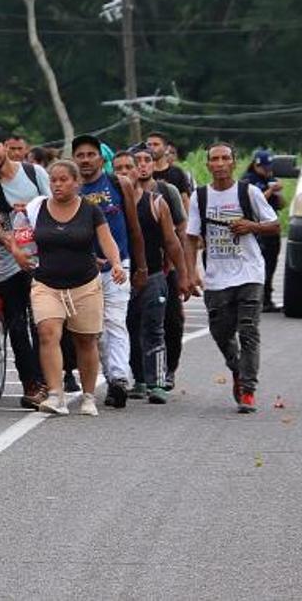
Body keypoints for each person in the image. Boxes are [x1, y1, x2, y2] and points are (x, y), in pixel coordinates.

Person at [184, 143, 279, 414]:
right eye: (215, 159)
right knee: (221, 332)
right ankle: (237, 368)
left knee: (248, 330)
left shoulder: (249, 193)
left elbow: (274, 225)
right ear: (208, 165)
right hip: (216, 277)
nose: (220, 163)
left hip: (249, 272)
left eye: (226, 158)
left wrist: (252, 226)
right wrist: (190, 273)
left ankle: (247, 390)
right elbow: (191, 238)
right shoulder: (199, 197)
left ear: (234, 163)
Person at [27, 160, 126, 416]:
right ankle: (55, 394)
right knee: (48, 332)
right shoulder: (38, 208)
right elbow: (19, 233)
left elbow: (107, 240)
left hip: (84, 284)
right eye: (53, 180)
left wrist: (116, 264)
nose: (57, 185)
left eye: (63, 180)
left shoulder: (91, 210)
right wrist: (17, 251)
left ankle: (89, 395)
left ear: (76, 182)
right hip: (46, 283)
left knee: (86, 340)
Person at [0, 124, 49, 409]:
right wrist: (15, 250)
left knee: (42, 322)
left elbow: (52, 207)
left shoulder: (34, 174)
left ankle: (51, 379)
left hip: (42, 257)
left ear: (6, 146)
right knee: (17, 325)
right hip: (7, 262)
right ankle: (32, 385)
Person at [112, 151, 191, 403]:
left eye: (129, 167)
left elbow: (172, 241)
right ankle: (140, 380)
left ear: (139, 170)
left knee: (154, 329)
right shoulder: (110, 206)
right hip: (120, 277)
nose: (124, 172)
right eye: (119, 168)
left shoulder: (156, 202)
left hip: (155, 275)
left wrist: (183, 275)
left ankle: (157, 382)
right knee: (128, 328)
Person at [71, 135, 142, 409]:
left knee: (115, 321)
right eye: (81, 155)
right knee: (93, 329)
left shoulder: (118, 183)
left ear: (102, 159)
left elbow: (134, 228)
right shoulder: (71, 189)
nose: (86, 159)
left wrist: (141, 266)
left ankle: (119, 380)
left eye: (91, 154)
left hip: (117, 265)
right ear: (74, 159)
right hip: (83, 269)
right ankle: (110, 373)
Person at [241, 150, 286, 313]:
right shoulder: (249, 180)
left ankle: (266, 298)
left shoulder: (271, 179)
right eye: (263, 167)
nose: (267, 170)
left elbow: (281, 204)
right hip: (256, 228)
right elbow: (253, 201)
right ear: (255, 165)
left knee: (271, 264)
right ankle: (253, 298)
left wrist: (278, 192)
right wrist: (270, 191)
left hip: (271, 227)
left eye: (269, 167)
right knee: (257, 265)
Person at [145, 131, 192, 212]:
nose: (151, 148)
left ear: (166, 148)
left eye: (156, 144)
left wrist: (188, 222)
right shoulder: (143, 172)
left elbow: (185, 200)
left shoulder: (177, 172)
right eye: (149, 145)